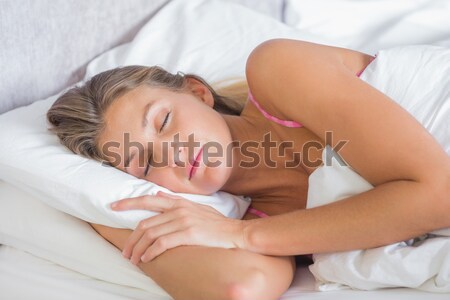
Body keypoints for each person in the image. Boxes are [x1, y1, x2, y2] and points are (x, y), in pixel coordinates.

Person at [46, 38, 450, 299]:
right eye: (146, 163)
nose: (173, 153)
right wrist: (104, 222)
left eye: (164, 122)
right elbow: (240, 289)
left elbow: (439, 195)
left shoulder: (277, 71)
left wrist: (241, 234)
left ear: (197, 92)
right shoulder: (265, 223)